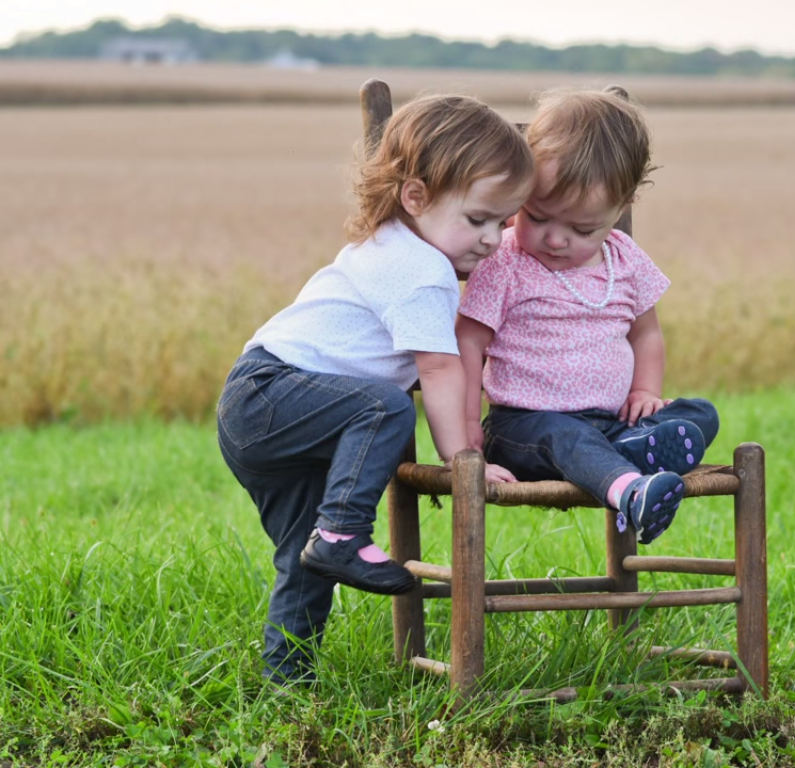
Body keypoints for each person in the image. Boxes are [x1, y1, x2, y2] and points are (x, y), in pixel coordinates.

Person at [215, 94, 532, 684]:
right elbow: (437, 371)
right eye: (477, 219)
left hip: (256, 407)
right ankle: (341, 533)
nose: (493, 239)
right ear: (415, 196)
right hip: (273, 393)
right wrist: (462, 459)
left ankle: (287, 681)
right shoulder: (422, 271)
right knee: (383, 406)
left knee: (301, 557)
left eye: (503, 222)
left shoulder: (388, 242)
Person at [456, 89, 719, 546]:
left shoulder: (626, 259)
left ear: (622, 206)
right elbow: (468, 343)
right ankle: (632, 491)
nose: (556, 239)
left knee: (700, 414)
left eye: (582, 229)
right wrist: (464, 433)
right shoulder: (505, 260)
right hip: (526, 427)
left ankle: (630, 450)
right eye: (537, 217)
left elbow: (646, 334)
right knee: (568, 437)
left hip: (612, 421)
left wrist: (644, 393)